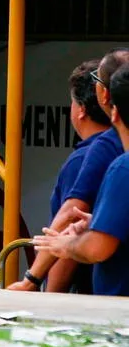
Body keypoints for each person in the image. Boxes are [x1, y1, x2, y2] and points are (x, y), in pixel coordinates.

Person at [8, 47, 129, 291]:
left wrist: (64, 248)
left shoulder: (118, 165)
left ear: (109, 103)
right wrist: (100, 222)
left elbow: (90, 240)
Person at [44, 60, 109, 293]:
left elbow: (69, 231)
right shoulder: (117, 149)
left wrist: (47, 296)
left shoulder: (84, 159)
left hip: (91, 291)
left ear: (80, 109)